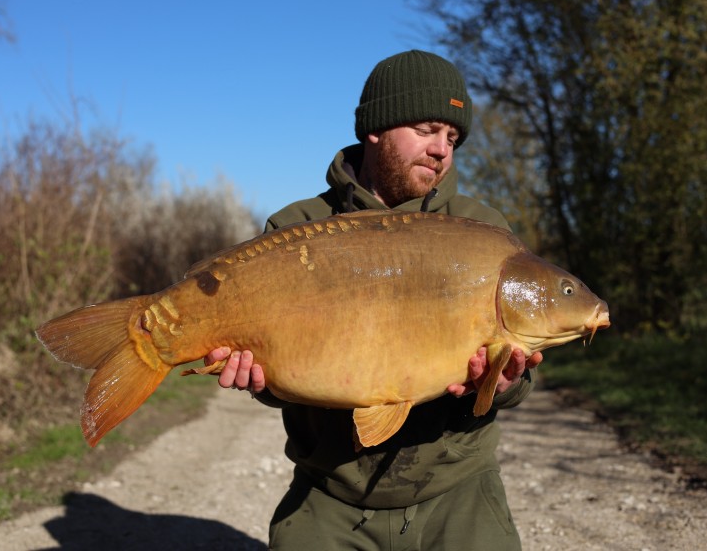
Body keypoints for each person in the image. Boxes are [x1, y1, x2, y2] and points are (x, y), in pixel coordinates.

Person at [204, 50, 542, 550]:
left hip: (457, 491)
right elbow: (279, 370)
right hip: (332, 493)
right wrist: (261, 380)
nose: (442, 150)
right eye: (428, 128)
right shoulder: (297, 228)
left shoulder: (483, 232)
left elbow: (521, 380)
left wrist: (503, 382)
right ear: (376, 129)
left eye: (452, 138)